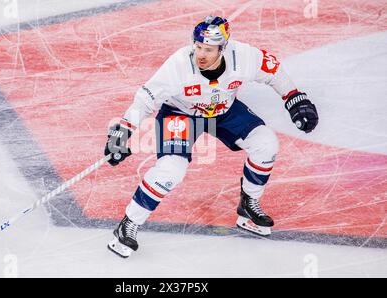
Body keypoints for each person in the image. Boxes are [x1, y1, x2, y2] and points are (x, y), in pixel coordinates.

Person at [105, 16, 319, 258]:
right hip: (181, 113)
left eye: (208, 49)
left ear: (223, 47)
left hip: (223, 111)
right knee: (171, 169)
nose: (201, 54)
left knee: (266, 143)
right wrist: (122, 131)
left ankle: (248, 206)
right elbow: (145, 99)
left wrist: (293, 97)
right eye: (198, 47)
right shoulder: (179, 65)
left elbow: (273, 70)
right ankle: (128, 224)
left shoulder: (243, 57)